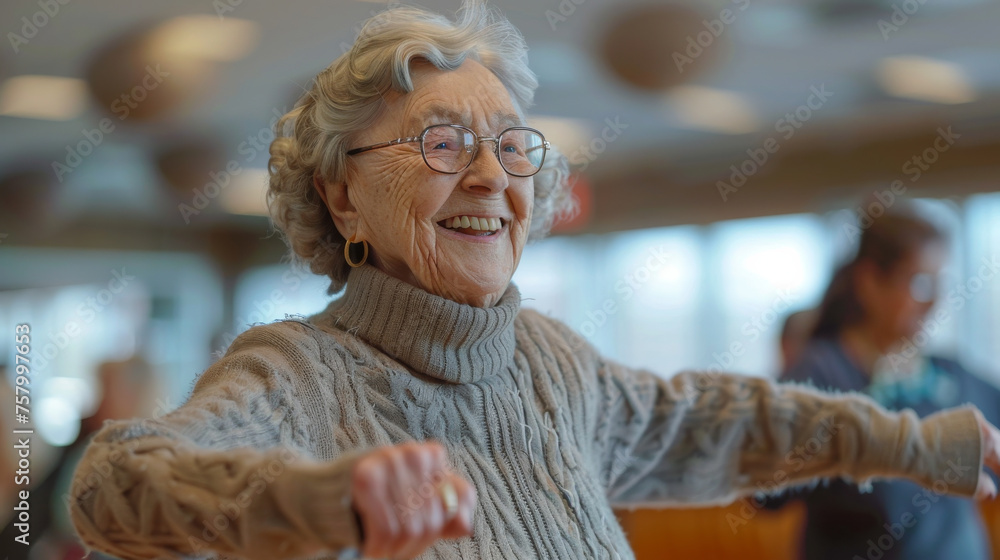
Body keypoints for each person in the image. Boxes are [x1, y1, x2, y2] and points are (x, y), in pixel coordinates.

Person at [68, 3, 1000, 559]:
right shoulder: (298, 376)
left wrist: (914, 443)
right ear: (341, 195)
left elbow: (725, 421)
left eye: (512, 146)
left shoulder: (554, 365)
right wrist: (321, 502)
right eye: (442, 142)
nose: (490, 176)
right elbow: (111, 486)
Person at [781, 207, 1000, 560]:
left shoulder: (949, 373)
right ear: (869, 282)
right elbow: (766, 492)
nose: (933, 301)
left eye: (939, 282)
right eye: (919, 283)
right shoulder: (823, 372)